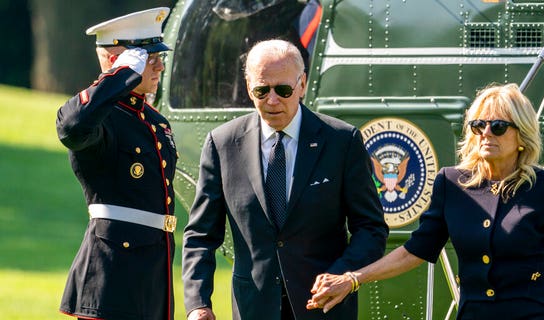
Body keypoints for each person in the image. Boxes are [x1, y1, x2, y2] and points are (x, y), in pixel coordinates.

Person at [306, 83, 544, 320]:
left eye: (499, 126)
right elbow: (415, 251)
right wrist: (353, 279)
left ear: (522, 137)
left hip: (536, 313)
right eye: (479, 126)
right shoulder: (451, 183)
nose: (486, 133)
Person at [182, 39, 389, 320]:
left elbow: (371, 228)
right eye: (261, 90)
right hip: (253, 309)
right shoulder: (222, 144)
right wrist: (197, 303)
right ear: (248, 87)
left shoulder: (342, 141)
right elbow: (201, 235)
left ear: (302, 85)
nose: (272, 100)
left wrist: (342, 276)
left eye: (283, 89)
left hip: (324, 308)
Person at [56, 7, 178, 320]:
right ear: (117, 60)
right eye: (150, 59)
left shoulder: (154, 121)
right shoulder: (100, 118)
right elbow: (70, 128)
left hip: (153, 274)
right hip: (111, 275)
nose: (160, 66)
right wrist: (120, 77)